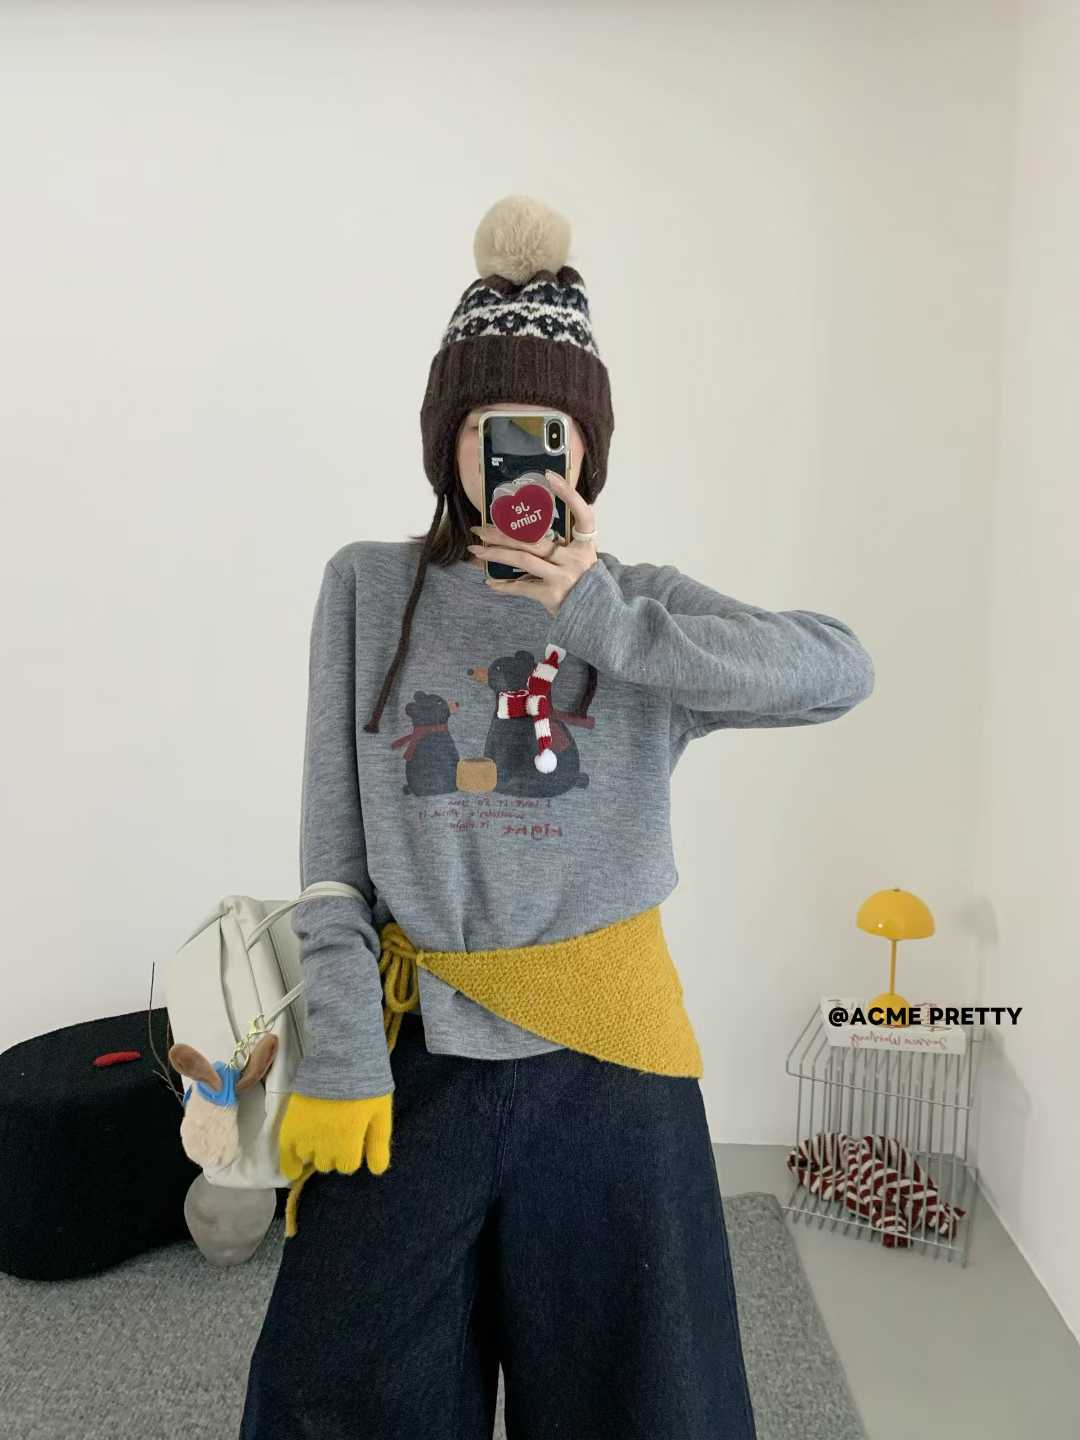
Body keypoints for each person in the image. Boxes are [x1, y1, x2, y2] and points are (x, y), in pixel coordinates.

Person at [238, 195, 875, 1440]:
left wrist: (602, 620)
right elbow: (333, 863)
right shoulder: (368, 589)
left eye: (548, 432)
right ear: (449, 444)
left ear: (584, 452)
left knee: (645, 1405)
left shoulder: (637, 610)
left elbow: (838, 669)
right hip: (412, 1057)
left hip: (610, 1064)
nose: (518, 461)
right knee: (334, 1393)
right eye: (491, 429)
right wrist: (345, 1050)